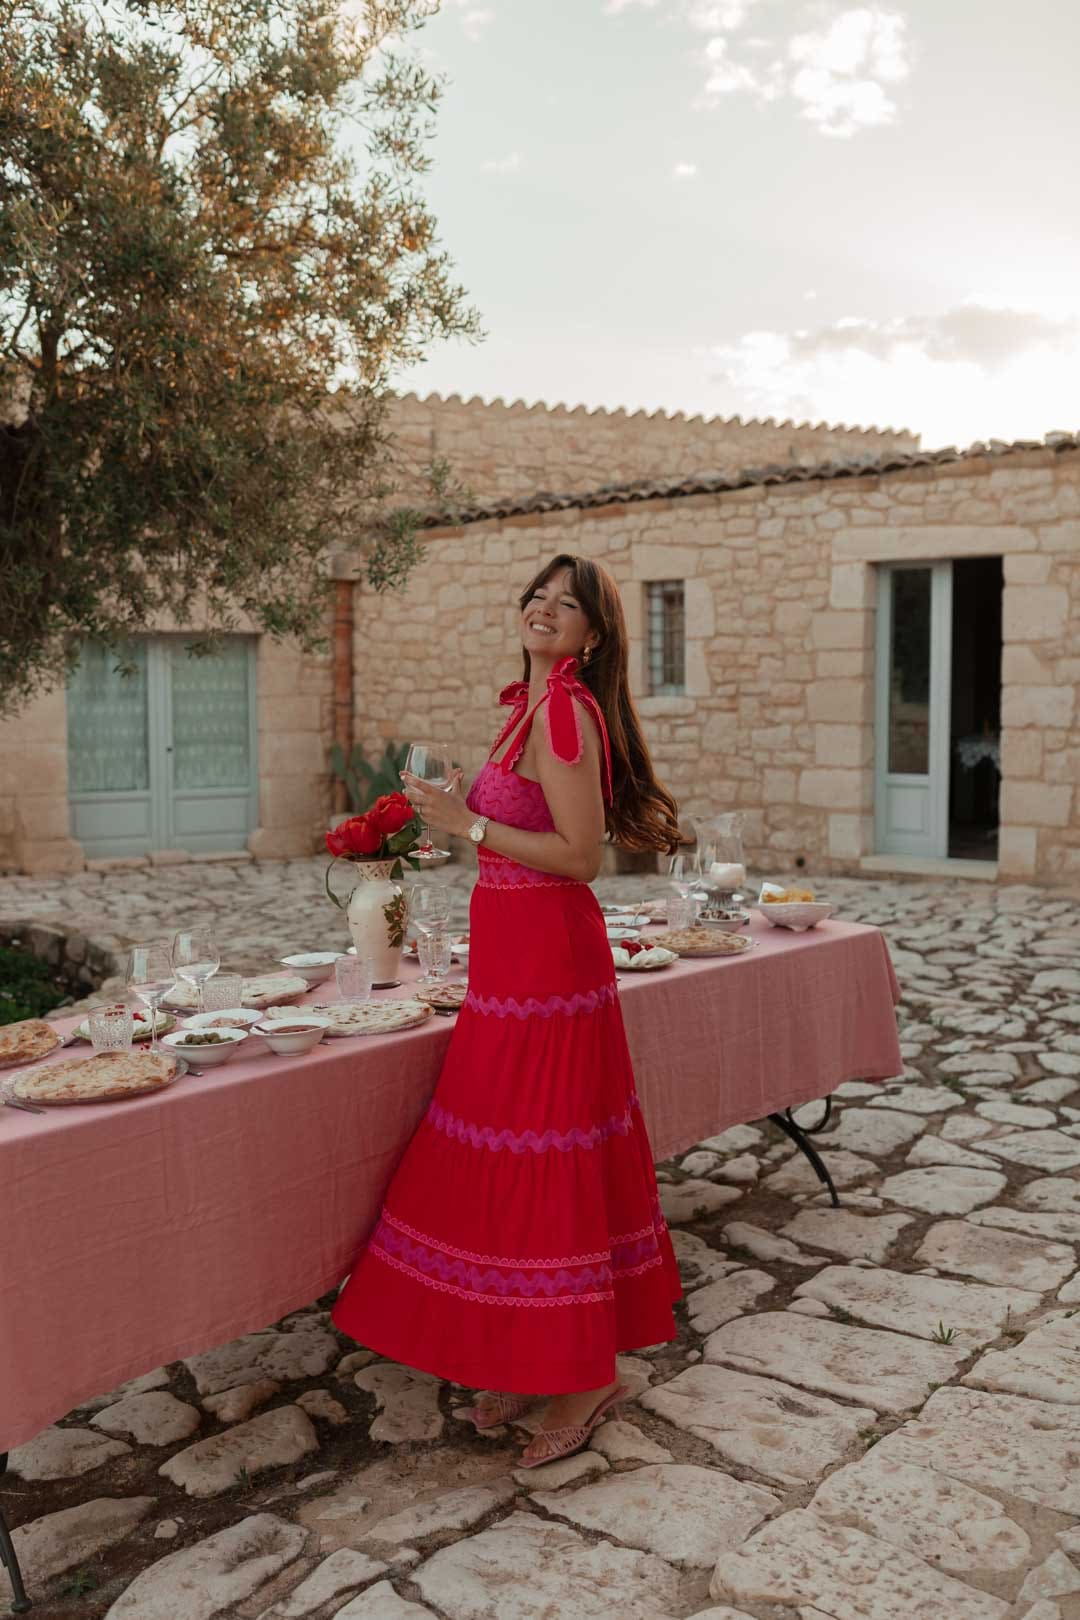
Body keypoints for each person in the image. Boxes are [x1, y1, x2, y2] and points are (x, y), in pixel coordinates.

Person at [332, 552, 683, 1466]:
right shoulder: (524, 708)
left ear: (593, 634)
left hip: (549, 967)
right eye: (537, 593)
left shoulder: (565, 710)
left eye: (568, 605)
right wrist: (456, 813)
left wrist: (467, 825)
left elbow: (579, 857)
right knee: (503, 1148)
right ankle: (536, 1355)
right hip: (513, 958)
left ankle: (586, 1375)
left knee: (541, 1156)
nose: (545, 608)